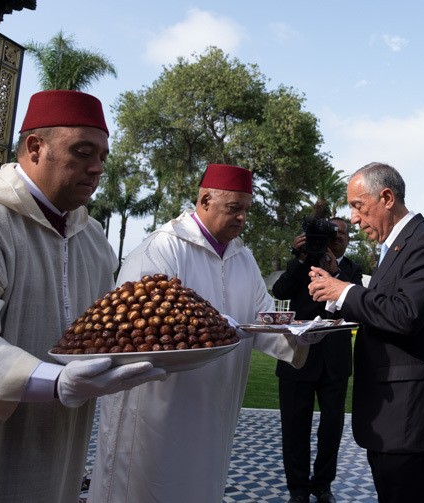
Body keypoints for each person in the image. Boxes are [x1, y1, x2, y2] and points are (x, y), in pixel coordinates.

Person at [0, 90, 167, 503]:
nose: (97, 168)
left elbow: (107, 328)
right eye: (82, 152)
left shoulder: (93, 238)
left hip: (65, 441)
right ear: (35, 148)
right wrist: (54, 381)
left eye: (102, 157)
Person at [89, 163, 312, 503]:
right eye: (234, 208)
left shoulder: (242, 257)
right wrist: (218, 325)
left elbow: (261, 317)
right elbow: (138, 328)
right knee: (147, 486)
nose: (242, 218)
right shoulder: (162, 249)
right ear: (205, 200)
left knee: (202, 484)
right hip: (161, 407)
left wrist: (299, 332)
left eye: (246, 209)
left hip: (216, 406)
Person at [307, 162, 424, 502]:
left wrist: (344, 292)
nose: (354, 219)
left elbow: (405, 314)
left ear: (386, 198)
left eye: (358, 206)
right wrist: (336, 290)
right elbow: (384, 308)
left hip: (413, 418)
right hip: (393, 418)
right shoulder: (396, 248)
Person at [272, 217, 364, 503]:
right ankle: (298, 490)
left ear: (348, 239)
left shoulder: (352, 270)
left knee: (331, 428)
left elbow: (357, 309)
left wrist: (336, 273)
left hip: (335, 361)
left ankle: (323, 486)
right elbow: (280, 292)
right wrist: (299, 259)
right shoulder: (302, 263)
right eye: (329, 233)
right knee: (293, 426)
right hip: (296, 357)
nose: (336, 237)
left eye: (341, 233)